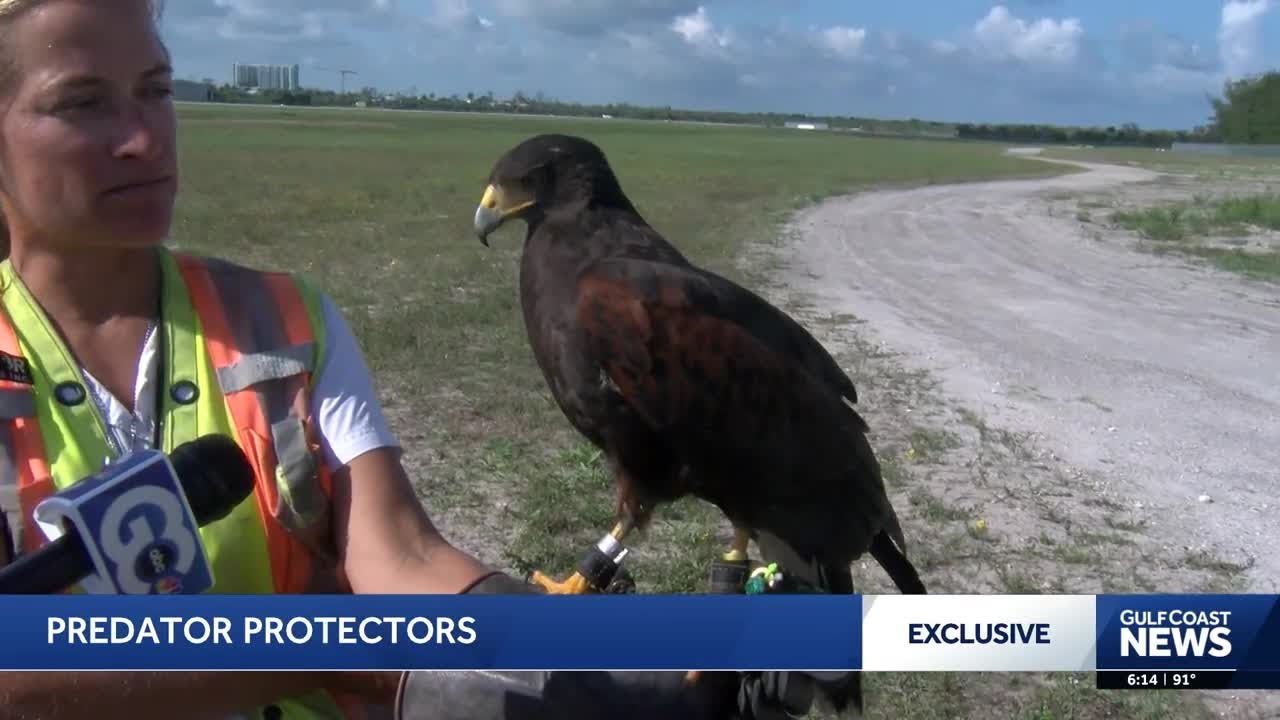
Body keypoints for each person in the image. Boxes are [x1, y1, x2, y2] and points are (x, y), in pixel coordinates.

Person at [0, 1, 850, 719]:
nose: (144, 138)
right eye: (83, 103)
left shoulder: (282, 321)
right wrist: (324, 649)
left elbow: (402, 562)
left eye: (155, 91)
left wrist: (619, 665)